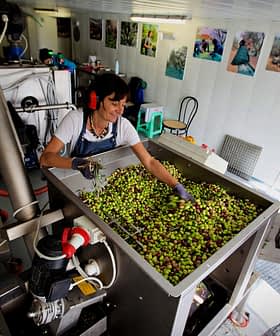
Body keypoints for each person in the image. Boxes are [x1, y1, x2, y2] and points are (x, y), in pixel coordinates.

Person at [40, 73, 194, 202]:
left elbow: (150, 161)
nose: (120, 111)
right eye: (114, 104)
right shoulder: (75, 119)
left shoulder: (123, 126)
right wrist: (75, 164)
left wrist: (176, 185)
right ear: (96, 100)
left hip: (108, 185)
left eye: (123, 104)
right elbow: (46, 158)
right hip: (79, 187)